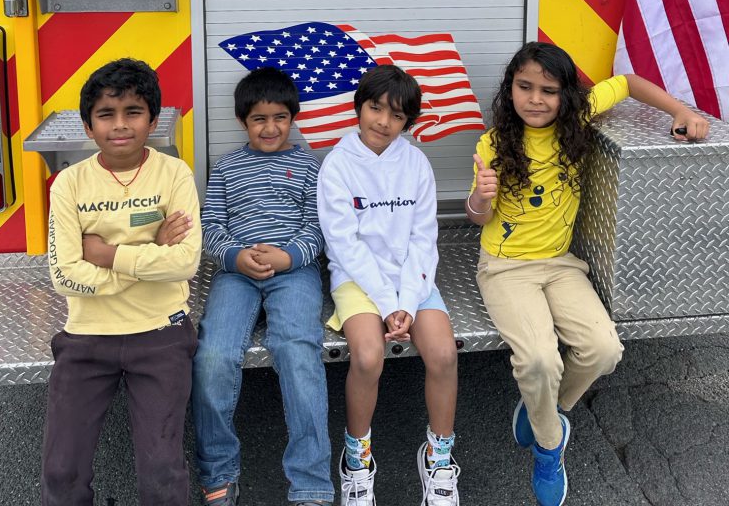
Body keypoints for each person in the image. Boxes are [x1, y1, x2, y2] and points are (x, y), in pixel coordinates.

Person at [466, 41, 709, 506]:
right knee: (538, 360)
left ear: (567, 97)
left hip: (560, 264)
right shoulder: (493, 144)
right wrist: (480, 196)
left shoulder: (576, 122)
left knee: (604, 350)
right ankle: (549, 446)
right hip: (506, 268)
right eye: (525, 87)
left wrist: (682, 111)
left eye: (549, 90)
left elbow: (631, 83)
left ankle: (549, 410)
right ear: (510, 89)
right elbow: (478, 218)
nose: (535, 99)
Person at [41, 58, 202, 506]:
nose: (120, 125)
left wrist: (108, 254)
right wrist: (150, 251)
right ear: (88, 126)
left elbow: (186, 262)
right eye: (106, 114)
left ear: (152, 120)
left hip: (162, 332)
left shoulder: (175, 174)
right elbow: (65, 275)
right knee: (61, 471)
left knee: (162, 474)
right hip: (86, 338)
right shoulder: (68, 184)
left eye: (133, 112)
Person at [317, 64, 460, 506]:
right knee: (366, 355)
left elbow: (423, 237)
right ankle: (357, 460)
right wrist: (385, 303)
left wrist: (408, 303)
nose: (383, 121)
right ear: (358, 107)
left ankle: (439, 459)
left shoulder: (415, 162)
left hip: (410, 279)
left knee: (442, 353)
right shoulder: (337, 165)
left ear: (407, 122)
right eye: (374, 108)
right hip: (358, 279)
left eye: (396, 116)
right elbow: (344, 244)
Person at [192, 66, 333, 506]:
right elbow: (211, 225)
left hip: (294, 272)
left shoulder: (309, 166)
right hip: (237, 272)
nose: (270, 127)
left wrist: (289, 256)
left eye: (280, 118)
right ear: (242, 121)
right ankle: (218, 469)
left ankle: (311, 481)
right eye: (258, 119)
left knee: (297, 350)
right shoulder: (229, 168)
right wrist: (236, 256)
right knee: (213, 354)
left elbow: (319, 226)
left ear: (293, 118)